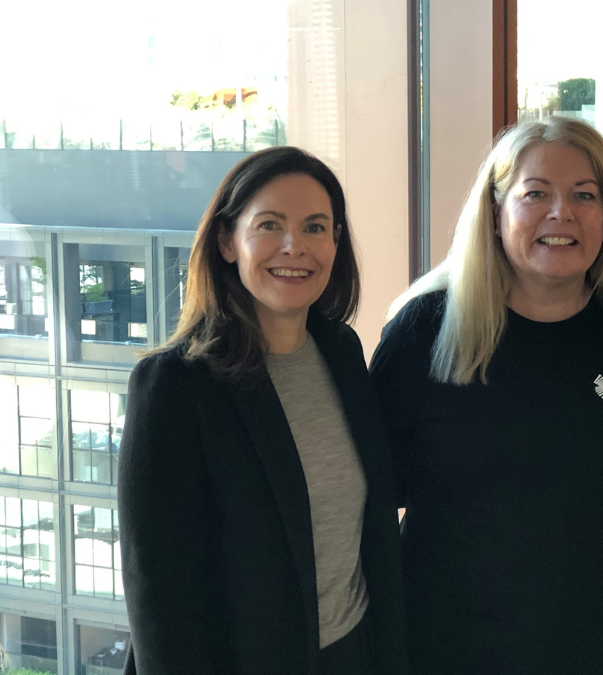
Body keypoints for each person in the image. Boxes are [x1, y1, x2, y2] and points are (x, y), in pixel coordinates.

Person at [369, 116, 603, 675]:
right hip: (438, 652)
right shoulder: (424, 333)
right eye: (536, 194)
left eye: (585, 195)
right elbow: (366, 507)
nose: (563, 213)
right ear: (495, 210)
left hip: (599, 654)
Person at [118, 147, 408, 675]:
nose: (294, 247)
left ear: (336, 243)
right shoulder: (174, 386)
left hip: (355, 652)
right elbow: (160, 596)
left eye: (316, 227)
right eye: (270, 225)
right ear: (228, 241)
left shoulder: (341, 351)